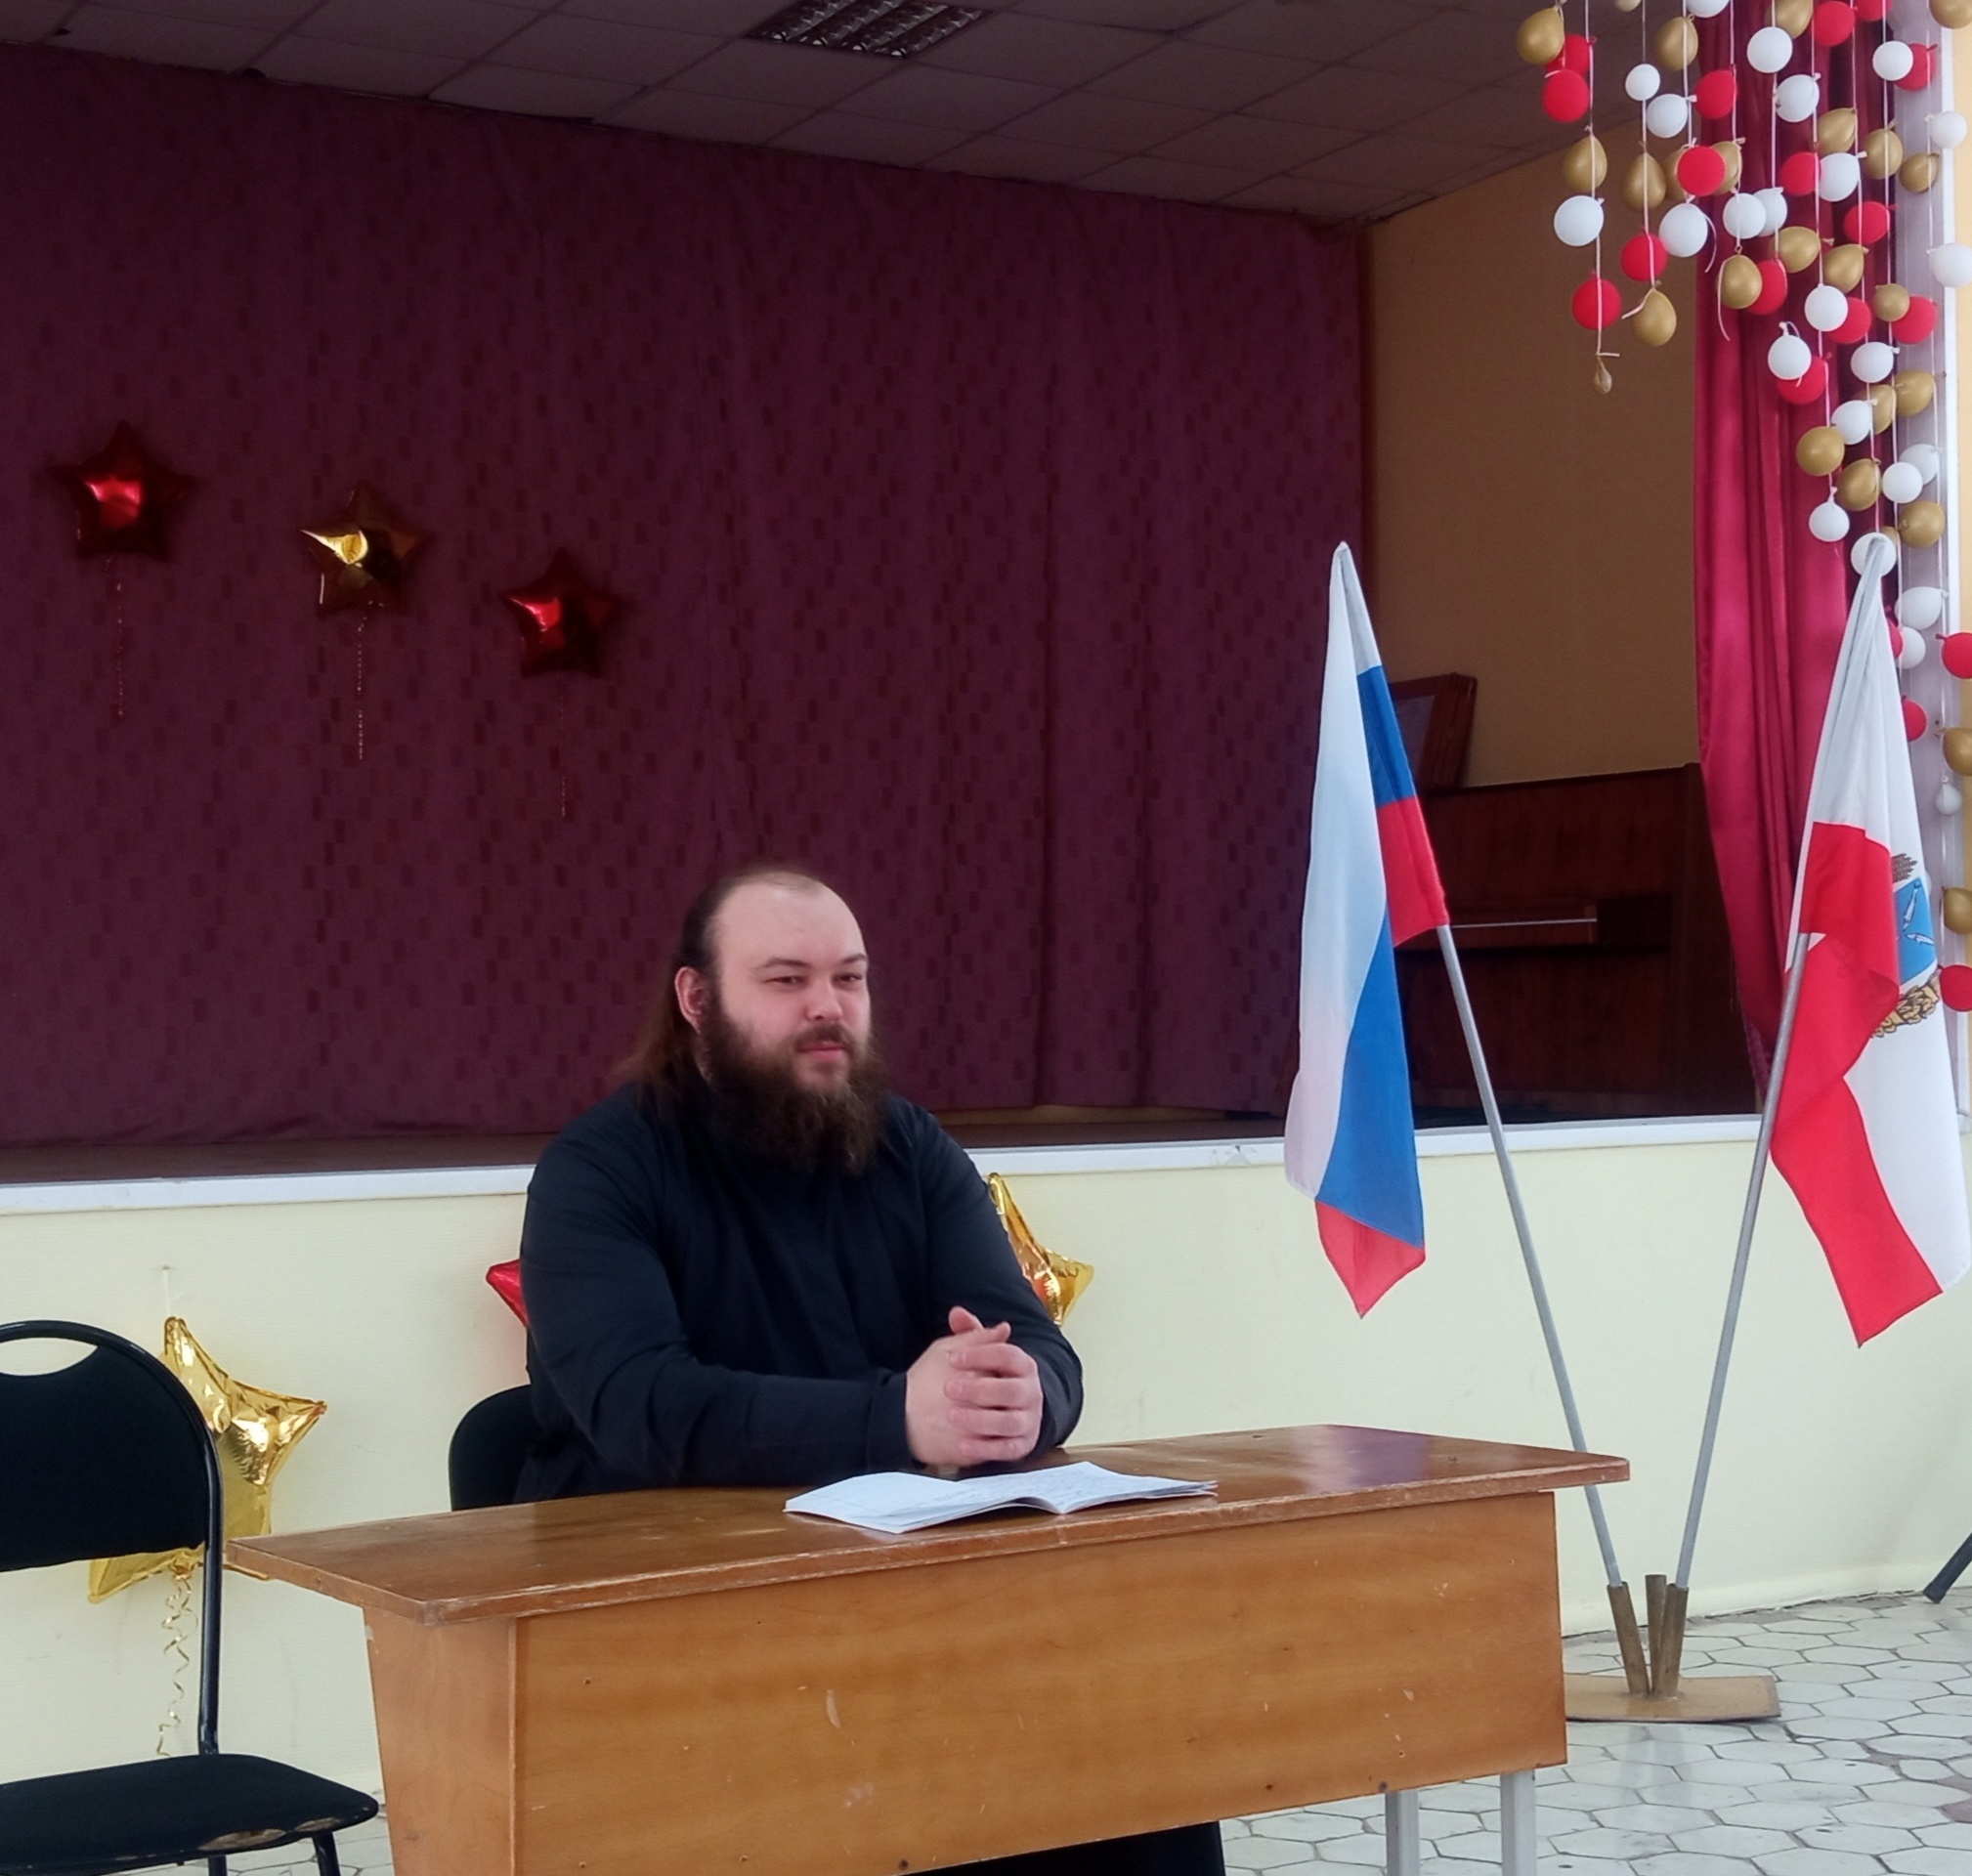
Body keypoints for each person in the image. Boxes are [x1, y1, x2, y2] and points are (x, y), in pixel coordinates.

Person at [517, 864, 1226, 1876]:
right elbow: (640, 1408)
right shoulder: (599, 1169)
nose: (828, 1008)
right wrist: (901, 1418)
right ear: (695, 999)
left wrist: (1024, 1399)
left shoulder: (909, 1146)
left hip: (899, 1584)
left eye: (848, 978)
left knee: (1139, 1739)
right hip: (674, 1610)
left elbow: (1035, 1343)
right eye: (786, 980)